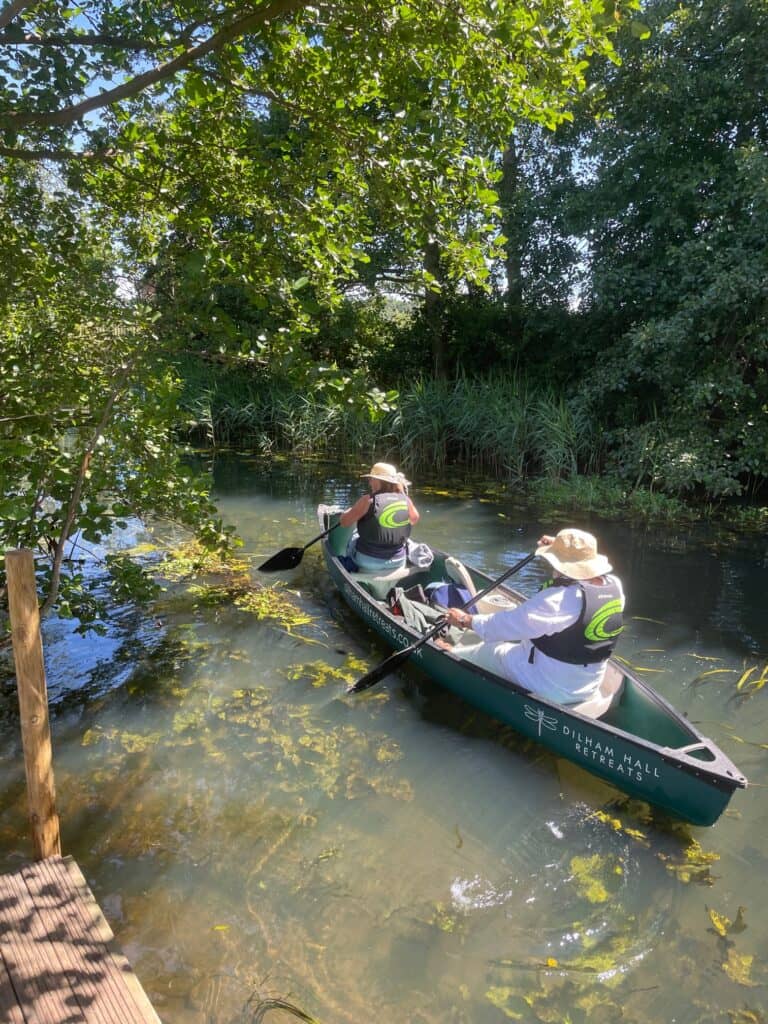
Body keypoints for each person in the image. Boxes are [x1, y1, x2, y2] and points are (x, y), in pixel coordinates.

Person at [442, 528, 624, 706]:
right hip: (588, 685)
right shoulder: (615, 586)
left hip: (552, 686)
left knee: (492, 650)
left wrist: (465, 620)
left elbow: (508, 625)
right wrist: (558, 547)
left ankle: (449, 654)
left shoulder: (557, 600)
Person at [339, 462, 420, 573]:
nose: (370, 482)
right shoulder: (405, 500)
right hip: (398, 560)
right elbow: (414, 519)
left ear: (379, 481)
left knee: (353, 536)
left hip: (368, 561)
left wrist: (347, 512)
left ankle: (350, 565)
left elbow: (344, 522)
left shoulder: (368, 500)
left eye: (372, 479)